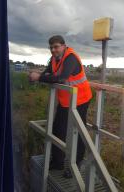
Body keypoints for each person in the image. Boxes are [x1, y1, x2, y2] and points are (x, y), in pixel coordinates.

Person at [29, 35, 92, 178]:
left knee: (78, 132)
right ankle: (57, 162)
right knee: (58, 129)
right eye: (51, 47)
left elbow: (61, 78)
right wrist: (37, 76)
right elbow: (47, 74)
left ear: (64, 46)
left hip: (81, 99)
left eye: (56, 47)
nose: (53, 50)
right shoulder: (54, 59)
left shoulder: (71, 58)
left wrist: (39, 77)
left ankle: (75, 164)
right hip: (66, 100)